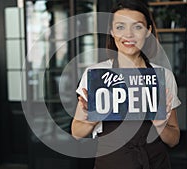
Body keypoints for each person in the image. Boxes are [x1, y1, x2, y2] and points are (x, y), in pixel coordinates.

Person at [71, 0, 181, 168]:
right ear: (112, 31)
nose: (129, 35)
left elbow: (173, 140)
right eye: (121, 27)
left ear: (148, 31)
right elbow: (76, 133)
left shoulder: (163, 76)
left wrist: (160, 126)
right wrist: (92, 120)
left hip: (155, 163)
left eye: (137, 27)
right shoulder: (95, 75)